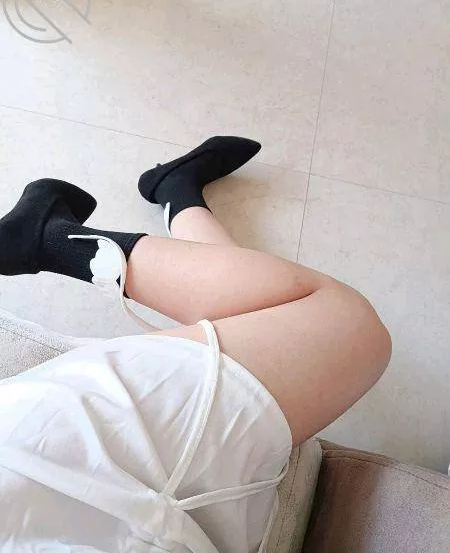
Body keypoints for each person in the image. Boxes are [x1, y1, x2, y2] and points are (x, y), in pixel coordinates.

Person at [0, 136, 391, 552]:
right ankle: (169, 196)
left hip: (65, 470)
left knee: (346, 327)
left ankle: (54, 238)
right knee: (264, 316)